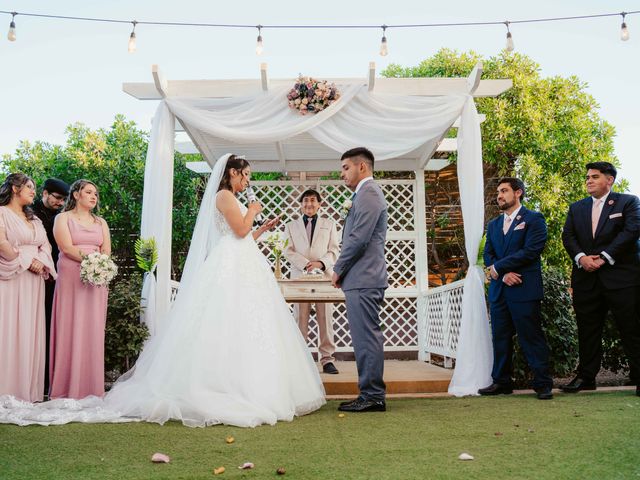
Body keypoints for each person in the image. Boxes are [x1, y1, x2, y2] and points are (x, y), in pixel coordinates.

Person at [561, 161, 640, 396]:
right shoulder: (577, 208)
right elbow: (568, 236)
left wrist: (604, 257)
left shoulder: (628, 202)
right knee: (587, 330)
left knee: (631, 328)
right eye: (587, 177)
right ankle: (586, 377)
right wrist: (582, 258)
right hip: (586, 278)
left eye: (594, 177)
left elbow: (632, 231)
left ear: (610, 180)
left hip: (622, 279)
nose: (589, 180)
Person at [478, 177, 553, 400]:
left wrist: (500, 268)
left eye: (504, 191)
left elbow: (531, 251)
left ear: (518, 192)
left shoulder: (533, 219)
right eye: (498, 192)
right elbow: (488, 254)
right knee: (500, 337)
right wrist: (502, 272)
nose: (499, 195)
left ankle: (542, 383)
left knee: (531, 336)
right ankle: (501, 382)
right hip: (500, 290)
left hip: (524, 288)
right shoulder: (492, 225)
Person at [332, 147, 388, 413]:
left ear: (361, 167)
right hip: (360, 278)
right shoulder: (363, 194)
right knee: (363, 337)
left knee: (366, 338)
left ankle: (373, 395)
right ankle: (369, 392)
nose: (342, 173)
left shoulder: (369, 193)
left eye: (345, 167)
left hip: (364, 277)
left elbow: (359, 238)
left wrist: (338, 268)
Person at [49, 180, 112, 399]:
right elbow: (66, 247)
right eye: (88, 192)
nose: (94, 196)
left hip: (96, 280)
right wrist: (92, 260)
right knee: (70, 325)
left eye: (96, 193)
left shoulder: (100, 222)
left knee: (93, 328)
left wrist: (99, 265)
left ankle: (91, 388)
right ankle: (66, 388)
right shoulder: (63, 218)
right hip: (71, 277)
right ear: (76, 195)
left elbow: (106, 249)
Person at [0, 173, 57, 402]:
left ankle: (27, 390)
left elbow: (45, 245)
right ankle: (6, 388)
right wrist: (24, 259)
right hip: (11, 277)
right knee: (8, 327)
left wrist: (40, 261)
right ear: (15, 188)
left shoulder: (34, 219)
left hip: (34, 281)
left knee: (29, 329)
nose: (34, 191)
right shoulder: (1, 213)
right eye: (30, 187)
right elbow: (2, 242)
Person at [284, 189, 340, 374]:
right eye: (305, 201)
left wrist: (320, 263)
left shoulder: (329, 224)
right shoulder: (291, 226)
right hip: (300, 278)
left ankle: (327, 359)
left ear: (319, 204)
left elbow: (333, 251)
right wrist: (306, 264)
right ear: (301, 204)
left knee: (326, 318)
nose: (309, 204)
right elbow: (288, 250)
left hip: (323, 277)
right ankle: (302, 359)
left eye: (313, 201)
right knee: (300, 317)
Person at [32, 178, 69, 395]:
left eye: (64, 200)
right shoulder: (29, 213)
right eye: (57, 198)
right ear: (44, 193)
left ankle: (49, 381)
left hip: (58, 278)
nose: (60, 202)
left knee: (52, 326)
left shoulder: (62, 218)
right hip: (35, 274)